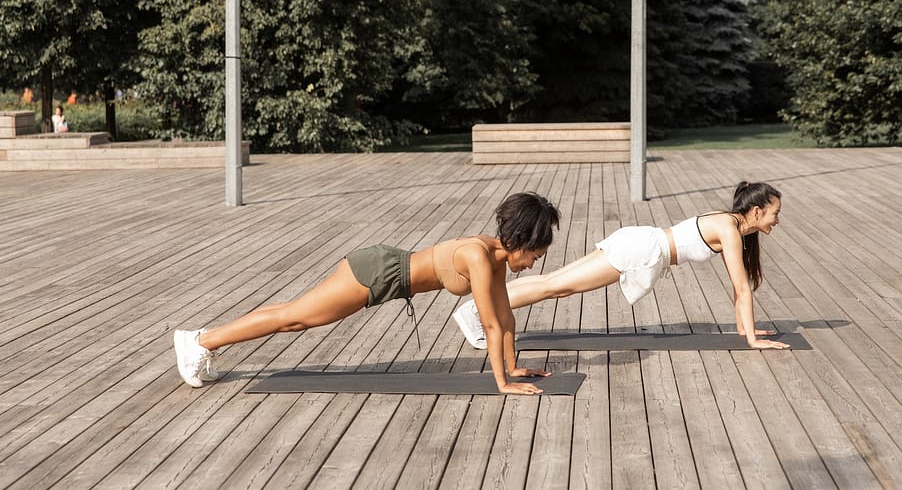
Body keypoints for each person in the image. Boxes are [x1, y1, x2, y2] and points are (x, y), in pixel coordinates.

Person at [174, 192, 562, 394]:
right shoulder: (479, 257)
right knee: (293, 318)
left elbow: (504, 316)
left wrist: (512, 365)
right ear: (519, 240)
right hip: (376, 274)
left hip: (385, 272)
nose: (532, 264)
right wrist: (502, 383)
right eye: (534, 255)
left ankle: (203, 340)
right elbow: (490, 326)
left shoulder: (493, 257)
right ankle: (200, 341)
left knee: (293, 316)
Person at [452, 181, 790, 351]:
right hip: (641, 250)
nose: (777, 219)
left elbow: (740, 288)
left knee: (556, 282)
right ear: (756, 211)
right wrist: (752, 340)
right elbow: (741, 287)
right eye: (774, 212)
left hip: (642, 244)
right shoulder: (729, 229)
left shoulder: (729, 226)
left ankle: (476, 310)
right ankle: (474, 314)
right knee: (556, 287)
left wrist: (746, 329)